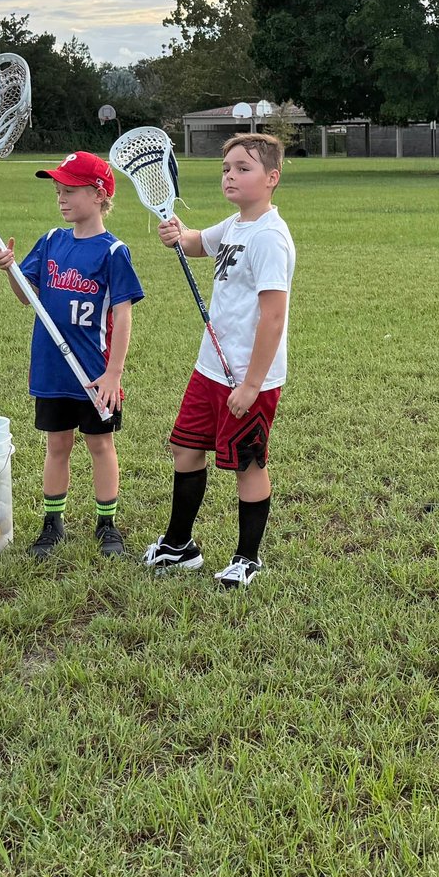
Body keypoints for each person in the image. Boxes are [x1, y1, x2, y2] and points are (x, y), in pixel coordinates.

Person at [142, 133, 296, 589]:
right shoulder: (235, 225)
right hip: (210, 367)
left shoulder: (270, 238)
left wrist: (250, 385)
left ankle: (247, 558)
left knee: (248, 464)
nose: (230, 175)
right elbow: (194, 243)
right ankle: (179, 545)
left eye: (243, 168)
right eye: (226, 168)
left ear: (271, 178)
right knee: (185, 449)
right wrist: (176, 234)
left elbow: (273, 317)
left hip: (250, 377)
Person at [0, 151, 143, 560]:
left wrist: (114, 374)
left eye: (70, 190)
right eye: (58, 190)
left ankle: (106, 522)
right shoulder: (51, 241)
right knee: (56, 446)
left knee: (100, 445)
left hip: (93, 372)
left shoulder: (113, 252)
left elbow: (123, 315)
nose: (61, 198)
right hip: (52, 370)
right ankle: (52, 522)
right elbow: (27, 298)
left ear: (98, 194)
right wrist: (11, 270)